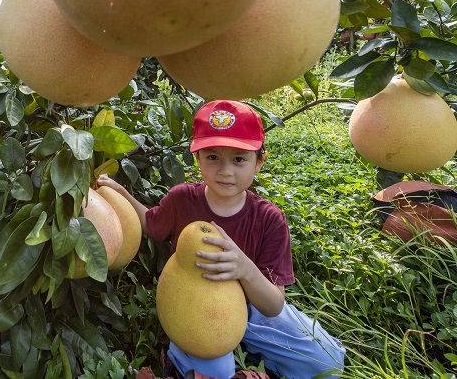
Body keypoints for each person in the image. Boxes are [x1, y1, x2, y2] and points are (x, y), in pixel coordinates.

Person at [98, 100, 345, 379]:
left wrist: (244, 268)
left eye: (239, 159)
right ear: (198, 159)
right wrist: (120, 193)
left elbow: (274, 305)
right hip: (196, 309)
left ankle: (250, 346)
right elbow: (149, 223)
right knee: (216, 373)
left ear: (259, 161)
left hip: (253, 307)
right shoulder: (182, 200)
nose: (225, 170)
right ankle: (204, 357)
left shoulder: (269, 219)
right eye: (213, 157)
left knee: (328, 363)